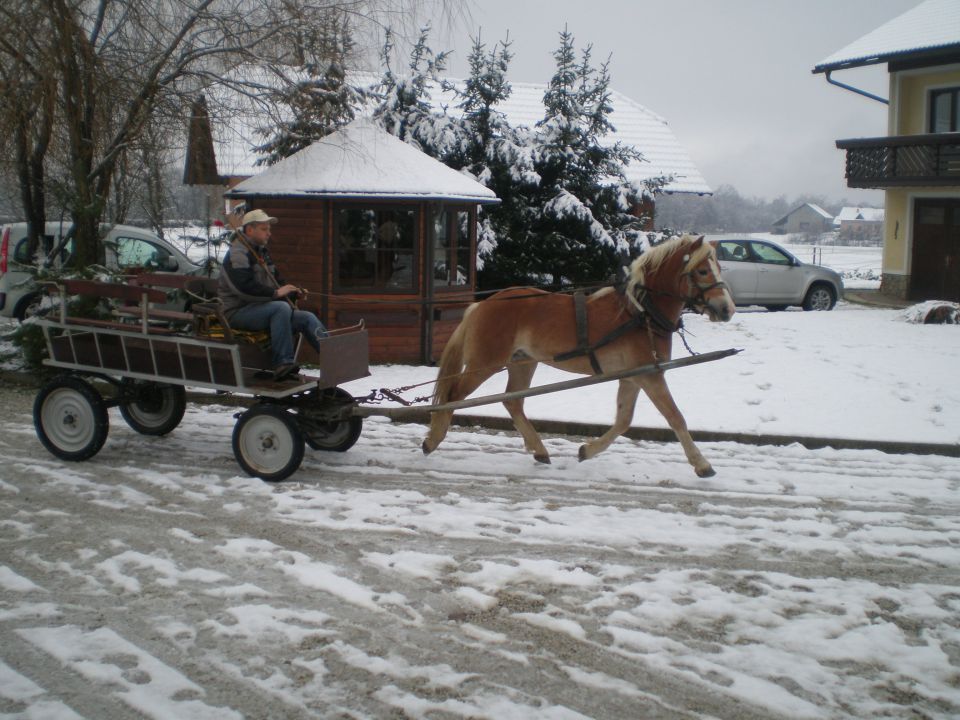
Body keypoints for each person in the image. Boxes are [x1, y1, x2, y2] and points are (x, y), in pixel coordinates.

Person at [217, 209, 326, 380]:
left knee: (307, 318)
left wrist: (292, 293)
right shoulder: (238, 253)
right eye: (264, 228)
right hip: (238, 312)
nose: (269, 232)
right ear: (250, 230)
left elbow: (277, 282)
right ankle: (283, 363)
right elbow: (243, 288)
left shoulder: (261, 252)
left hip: (263, 309)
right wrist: (276, 293)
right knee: (280, 308)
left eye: (269, 228)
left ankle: (335, 357)